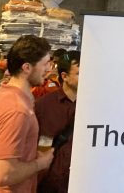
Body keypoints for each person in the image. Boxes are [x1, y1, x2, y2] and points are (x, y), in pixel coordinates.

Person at [0, 35, 55, 192]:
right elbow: (5, 174)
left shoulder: (1, 94)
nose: (49, 69)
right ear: (27, 68)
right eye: (45, 64)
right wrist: (40, 164)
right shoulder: (17, 110)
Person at [34, 50, 80, 193]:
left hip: (80, 182)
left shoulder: (94, 106)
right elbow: (38, 145)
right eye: (79, 73)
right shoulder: (44, 106)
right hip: (49, 184)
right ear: (64, 76)